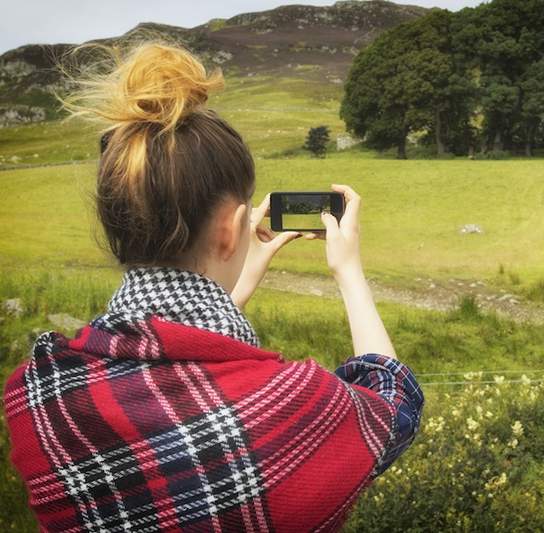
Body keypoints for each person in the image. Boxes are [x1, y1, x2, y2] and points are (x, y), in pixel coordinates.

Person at [2, 41, 424, 532]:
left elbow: (167, 357)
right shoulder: (289, 405)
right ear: (231, 229)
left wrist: (229, 287)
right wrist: (348, 272)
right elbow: (394, 405)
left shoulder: (38, 394)